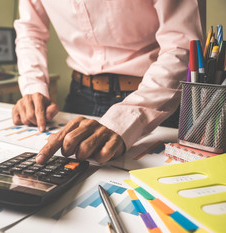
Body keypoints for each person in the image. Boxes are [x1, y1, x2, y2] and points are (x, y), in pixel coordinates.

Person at [12, 0, 203, 164]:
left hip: (154, 99)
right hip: (79, 96)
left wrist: (125, 120)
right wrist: (33, 86)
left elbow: (181, 45)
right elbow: (30, 32)